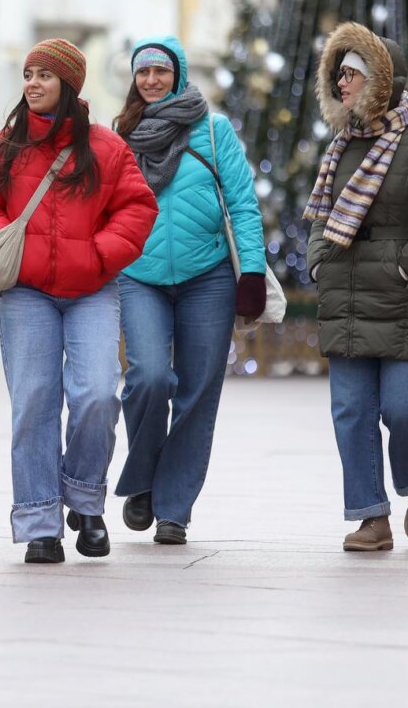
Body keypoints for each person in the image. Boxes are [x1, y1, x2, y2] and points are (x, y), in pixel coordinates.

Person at [0, 38, 157, 563]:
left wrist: (98, 255)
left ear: (68, 85)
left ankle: (86, 501)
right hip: (27, 293)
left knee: (96, 394)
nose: (32, 84)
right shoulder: (0, 147)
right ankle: (39, 523)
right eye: (27, 74)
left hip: (91, 290)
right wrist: (15, 248)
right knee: (34, 404)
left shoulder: (107, 148)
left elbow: (137, 208)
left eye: (44, 76)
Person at [304, 22, 408, 553]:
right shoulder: (339, 145)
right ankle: (371, 517)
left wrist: (406, 264)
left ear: (380, 81)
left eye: (350, 74)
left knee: (402, 408)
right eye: (339, 75)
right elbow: (321, 215)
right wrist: (317, 262)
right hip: (347, 293)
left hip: (405, 296)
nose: (341, 84)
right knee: (351, 412)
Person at [110, 36, 266, 546]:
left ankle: (174, 508)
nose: (151, 80)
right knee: (150, 377)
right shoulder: (122, 136)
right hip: (139, 275)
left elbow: (242, 205)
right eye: (143, 73)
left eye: (160, 71)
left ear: (177, 73)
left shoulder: (216, 131)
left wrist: (253, 274)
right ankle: (143, 481)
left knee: (199, 394)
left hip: (208, 279)